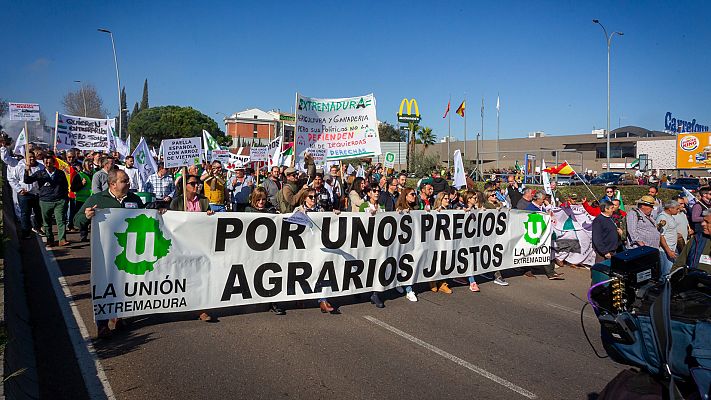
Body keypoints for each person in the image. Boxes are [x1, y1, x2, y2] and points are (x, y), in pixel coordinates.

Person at [74, 169, 146, 338]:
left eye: (128, 180)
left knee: (125, 284)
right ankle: (102, 324)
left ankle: (120, 316)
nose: (129, 183)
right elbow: (77, 221)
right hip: (105, 252)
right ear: (113, 184)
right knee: (104, 286)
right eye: (125, 181)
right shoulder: (97, 199)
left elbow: (145, 217)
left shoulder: (134, 199)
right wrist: (86, 215)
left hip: (128, 252)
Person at [169, 175, 215, 321]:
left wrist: (210, 214)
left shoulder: (203, 200)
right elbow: (171, 221)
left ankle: (201, 309)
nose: (197, 186)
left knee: (200, 276)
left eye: (198, 183)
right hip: (181, 244)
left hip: (200, 243)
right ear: (184, 185)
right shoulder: (176, 202)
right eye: (193, 183)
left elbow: (210, 219)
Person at [295, 188, 340, 314]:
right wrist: (300, 215)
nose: (313, 199)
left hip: (318, 247)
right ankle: (300, 296)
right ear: (304, 198)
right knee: (303, 272)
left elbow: (327, 222)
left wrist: (334, 214)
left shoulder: (320, 210)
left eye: (315, 196)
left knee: (322, 271)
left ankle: (323, 300)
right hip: (303, 248)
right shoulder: (298, 210)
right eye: (310, 197)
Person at [24, 151, 69, 248]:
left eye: (50, 162)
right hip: (45, 201)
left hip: (59, 200)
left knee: (61, 220)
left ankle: (62, 239)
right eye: (46, 163)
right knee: (47, 222)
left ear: (53, 163)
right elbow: (27, 181)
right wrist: (26, 170)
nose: (48, 164)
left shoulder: (60, 173)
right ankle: (50, 239)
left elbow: (65, 186)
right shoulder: (40, 173)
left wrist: (65, 199)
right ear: (44, 163)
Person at [10, 150, 44, 239]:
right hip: (24, 194)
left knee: (38, 212)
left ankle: (38, 227)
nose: (31, 158)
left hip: (36, 194)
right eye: (29, 157)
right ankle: (26, 232)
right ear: (25, 158)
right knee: (25, 214)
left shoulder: (41, 167)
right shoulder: (20, 167)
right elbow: (12, 179)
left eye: (33, 156)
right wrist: (19, 189)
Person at [393, 188, 419, 302]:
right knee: (404, 263)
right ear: (405, 196)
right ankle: (409, 290)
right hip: (402, 242)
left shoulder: (416, 207)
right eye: (412, 194)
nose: (414, 196)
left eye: (415, 194)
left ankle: (401, 283)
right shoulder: (399, 208)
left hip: (414, 241)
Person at [673, 209, 711, 274]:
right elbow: (679, 264)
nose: (702, 224)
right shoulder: (696, 239)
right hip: (692, 282)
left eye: (707, 222)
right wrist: (673, 278)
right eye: (703, 221)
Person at [656, 200, 680, 276]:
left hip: (672, 248)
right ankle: (664, 287)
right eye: (677, 209)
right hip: (665, 250)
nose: (678, 210)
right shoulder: (663, 218)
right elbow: (661, 236)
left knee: (671, 270)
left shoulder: (670, 216)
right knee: (666, 272)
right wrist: (668, 251)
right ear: (670, 208)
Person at [74, 159, 94, 242]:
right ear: (84, 166)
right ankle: (83, 235)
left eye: (92, 164)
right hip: (81, 200)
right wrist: (81, 184)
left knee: (93, 218)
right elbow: (73, 188)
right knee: (84, 218)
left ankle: (94, 235)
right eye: (89, 164)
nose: (91, 166)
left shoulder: (95, 175)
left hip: (92, 199)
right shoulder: (79, 176)